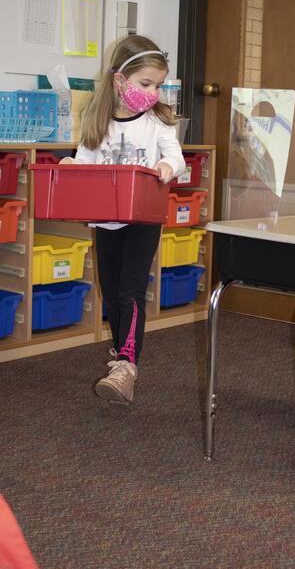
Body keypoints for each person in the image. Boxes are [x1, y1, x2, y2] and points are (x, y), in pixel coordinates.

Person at [60, 35, 186, 405]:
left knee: (130, 292)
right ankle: (120, 353)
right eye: (145, 83)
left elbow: (176, 158)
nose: (152, 92)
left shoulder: (159, 122)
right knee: (110, 294)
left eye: (158, 85)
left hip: (143, 220)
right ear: (119, 80)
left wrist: (166, 165)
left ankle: (128, 365)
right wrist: (70, 166)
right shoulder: (98, 122)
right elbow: (84, 163)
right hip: (106, 221)